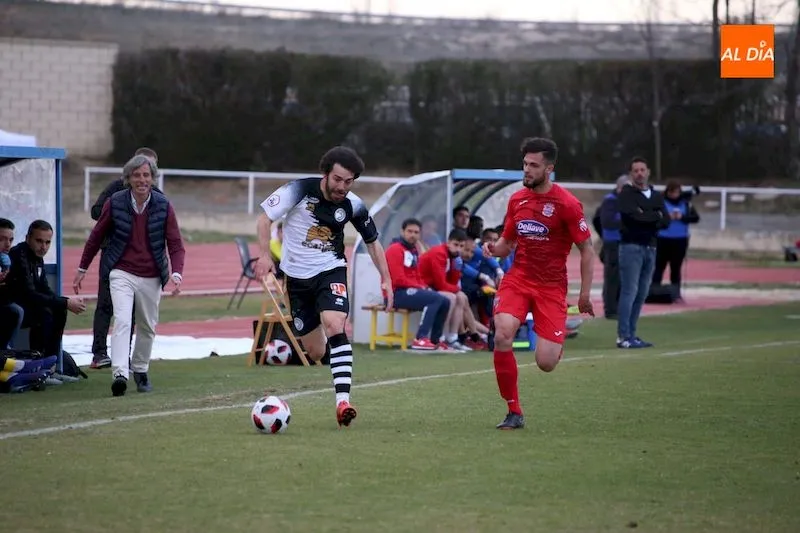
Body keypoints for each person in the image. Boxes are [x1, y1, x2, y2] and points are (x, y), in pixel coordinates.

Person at [252, 146, 392, 428]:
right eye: (338, 179)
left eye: (348, 181)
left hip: (331, 270)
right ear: (325, 174)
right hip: (296, 279)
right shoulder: (298, 190)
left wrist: (386, 278)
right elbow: (265, 218)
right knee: (315, 351)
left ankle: (343, 402)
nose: (342, 186)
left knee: (334, 322)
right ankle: (340, 357)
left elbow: (373, 242)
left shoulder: (353, 204)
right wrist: (265, 255)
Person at [483, 137, 595, 430]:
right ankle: (513, 411)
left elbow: (587, 250)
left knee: (545, 362)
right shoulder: (517, 200)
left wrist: (584, 295)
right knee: (503, 334)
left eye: (534, 165)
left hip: (551, 287)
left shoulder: (567, 204)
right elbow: (507, 243)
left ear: (549, 168)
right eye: (525, 164)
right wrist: (494, 249)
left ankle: (555, 345)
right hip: (518, 279)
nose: (527, 170)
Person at [73, 154, 185, 397]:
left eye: (146, 175)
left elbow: (175, 243)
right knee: (123, 320)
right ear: (128, 179)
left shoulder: (164, 205)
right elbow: (96, 236)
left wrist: (176, 273)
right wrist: (83, 268)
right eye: (136, 175)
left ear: (153, 179)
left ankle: (141, 370)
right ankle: (119, 374)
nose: (141, 180)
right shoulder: (115, 202)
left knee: (147, 325)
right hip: (121, 271)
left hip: (152, 275)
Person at [88, 147, 160, 369]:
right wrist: (117, 215)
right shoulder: (116, 189)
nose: (143, 175)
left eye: (149, 170)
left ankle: (123, 356)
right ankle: (99, 353)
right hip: (112, 253)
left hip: (140, 261)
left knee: (132, 312)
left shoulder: (156, 196)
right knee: (105, 305)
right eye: (139, 169)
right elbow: (95, 211)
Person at [8, 220, 87, 357]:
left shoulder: (37, 258)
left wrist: (65, 302)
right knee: (43, 313)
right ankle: (38, 363)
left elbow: (45, 289)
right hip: (11, 306)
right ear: (28, 239)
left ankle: (50, 362)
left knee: (58, 309)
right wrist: (65, 302)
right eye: (39, 241)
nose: (43, 247)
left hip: (25, 305)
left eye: (47, 242)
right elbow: (29, 294)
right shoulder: (19, 255)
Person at [616, 157, 669, 349]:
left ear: (648, 172)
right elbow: (632, 218)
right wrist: (654, 216)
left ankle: (632, 333)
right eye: (635, 170)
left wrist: (645, 215)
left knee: (642, 292)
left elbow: (666, 220)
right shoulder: (626, 194)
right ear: (631, 174)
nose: (639, 173)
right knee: (629, 291)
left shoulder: (656, 195)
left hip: (651, 247)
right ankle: (623, 336)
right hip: (631, 247)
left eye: (642, 170)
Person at [385, 218, 451, 351]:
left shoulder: (413, 250)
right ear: (402, 231)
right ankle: (420, 338)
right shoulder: (395, 249)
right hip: (395, 293)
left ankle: (435, 340)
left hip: (409, 291)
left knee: (445, 301)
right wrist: (420, 287)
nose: (413, 235)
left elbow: (417, 276)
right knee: (435, 298)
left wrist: (423, 286)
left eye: (416, 232)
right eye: (409, 231)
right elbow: (398, 279)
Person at [419, 228, 480, 352]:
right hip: (422, 286)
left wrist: (456, 268)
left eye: (461, 246)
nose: (458, 249)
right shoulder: (439, 253)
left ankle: (452, 338)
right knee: (451, 297)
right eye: (455, 245)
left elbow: (451, 282)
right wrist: (456, 288)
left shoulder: (454, 257)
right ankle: (439, 338)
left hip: (433, 287)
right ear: (448, 243)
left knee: (461, 297)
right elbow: (441, 284)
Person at [652, 180, 700, 299]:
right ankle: (653, 291)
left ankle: (676, 293)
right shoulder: (661, 202)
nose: (674, 195)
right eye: (672, 192)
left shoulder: (686, 204)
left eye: (677, 192)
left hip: (680, 240)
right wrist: (668, 217)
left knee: (676, 268)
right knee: (659, 267)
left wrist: (682, 217)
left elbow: (695, 218)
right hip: (662, 239)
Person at [598, 175, 630, 319]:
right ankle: (610, 309)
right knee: (612, 277)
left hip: (624, 242)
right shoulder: (610, 200)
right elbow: (605, 220)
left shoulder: (627, 201)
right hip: (613, 243)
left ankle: (619, 307)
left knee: (623, 277)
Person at [0, 218, 25, 349]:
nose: (8, 244)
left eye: (10, 240)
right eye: (2, 239)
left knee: (16, 310)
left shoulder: (7, 261)